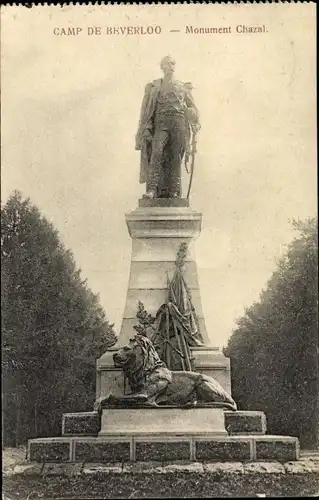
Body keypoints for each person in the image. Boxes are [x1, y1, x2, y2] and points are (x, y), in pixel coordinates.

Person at [135, 56, 200, 199]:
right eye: (167, 64)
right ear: (162, 67)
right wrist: (145, 127)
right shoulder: (155, 86)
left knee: (175, 158)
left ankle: (174, 191)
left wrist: (192, 115)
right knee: (156, 154)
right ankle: (152, 190)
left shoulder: (183, 88)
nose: (170, 66)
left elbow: (193, 109)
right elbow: (147, 110)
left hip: (178, 124)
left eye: (172, 64)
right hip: (161, 123)